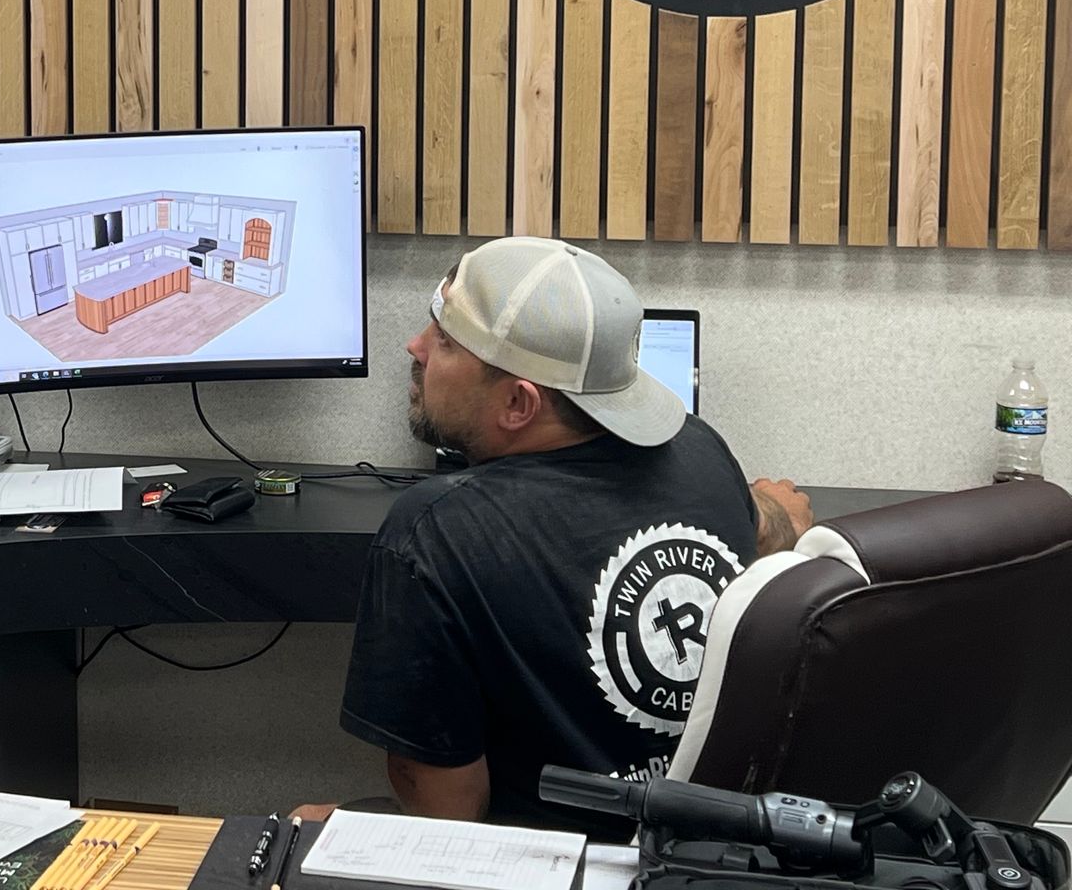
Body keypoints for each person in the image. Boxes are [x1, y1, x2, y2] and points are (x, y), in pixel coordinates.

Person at [308, 238, 811, 837]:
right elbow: (766, 528)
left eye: (444, 340)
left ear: (519, 403)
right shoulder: (701, 448)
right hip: (710, 850)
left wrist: (344, 833)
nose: (415, 347)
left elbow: (448, 816)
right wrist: (779, 514)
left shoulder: (433, 532)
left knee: (300, 827)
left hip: (556, 869)